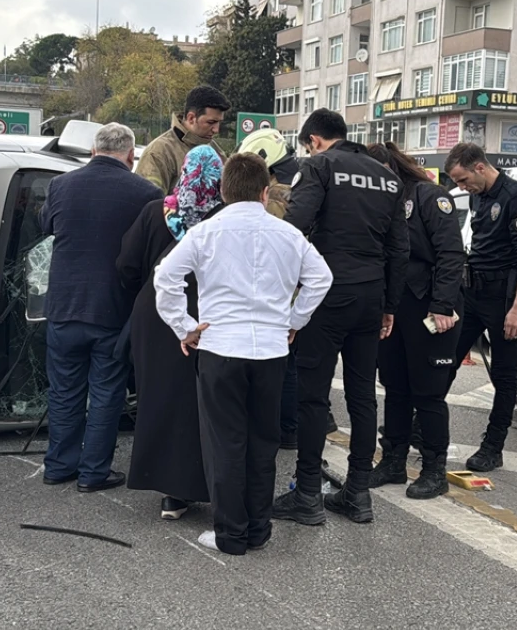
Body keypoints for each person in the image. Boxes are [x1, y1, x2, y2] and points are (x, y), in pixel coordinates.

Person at [153, 153, 333, 556]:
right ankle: (258, 528)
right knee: (263, 442)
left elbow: (165, 278)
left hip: (221, 347)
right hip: (270, 350)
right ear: (266, 192)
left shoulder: (205, 232)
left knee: (225, 443)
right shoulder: (288, 234)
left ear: (222, 190)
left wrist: (184, 327)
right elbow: (321, 278)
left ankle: (230, 534)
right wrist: (294, 320)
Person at [273, 109, 409, 526]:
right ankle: (358, 493)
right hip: (370, 296)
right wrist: (390, 306)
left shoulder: (318, 167)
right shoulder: (388, 177)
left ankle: (308, 494)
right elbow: (399, 249)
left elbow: (293, 227)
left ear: (313, 139)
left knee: (313, 397)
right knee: (362, 396)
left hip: (327, 292)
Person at [39, 123, 162, 492]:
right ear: (130, 154)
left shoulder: (60, 186)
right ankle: (93, 473)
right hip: (112, 309)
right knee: (107, 392)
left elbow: (46, 226)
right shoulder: (146, 193)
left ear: (94, 151)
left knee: (63, 391)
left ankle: (59, 466)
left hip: (63, 306)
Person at [118, 146, 224, 520]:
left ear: (183, 172)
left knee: (159, 398)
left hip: (155, 313)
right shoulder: (223, 217)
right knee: (204, 403)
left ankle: (170, 494)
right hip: (207, 317)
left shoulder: (156, 212)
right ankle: (209, 484)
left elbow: (127, 264)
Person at [364, 142, 465, 500]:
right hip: (394, 307)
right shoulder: (381, 201)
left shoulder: (428, 196)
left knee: (428, 392)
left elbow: (451, 253)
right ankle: (393, 459)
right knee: (395, 387)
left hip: (430, 307)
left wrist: (442, 304)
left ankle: (434, 469)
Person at [443, 143, 517, 473]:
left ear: (480, 167)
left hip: (503, 299)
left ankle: (492, 446)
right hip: (472, 293)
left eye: (462, 179)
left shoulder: (515, 197)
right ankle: (424, 423)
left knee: (503, 375)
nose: (461, 187)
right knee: (446, 358)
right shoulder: (477, 194)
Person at [237, 128, 304, 448]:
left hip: (275, 296)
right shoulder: (304, 190)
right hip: (297, 293)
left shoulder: (275, 198)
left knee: (279, 368)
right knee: (291, 366)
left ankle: (280, 431)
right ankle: (290, 430)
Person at [136, 85, 231, 194]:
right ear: (191, 118)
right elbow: (150, 202)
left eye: (219, 122)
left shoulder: (214, 149)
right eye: (211, 122)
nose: (216, 130)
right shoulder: (158, 152)